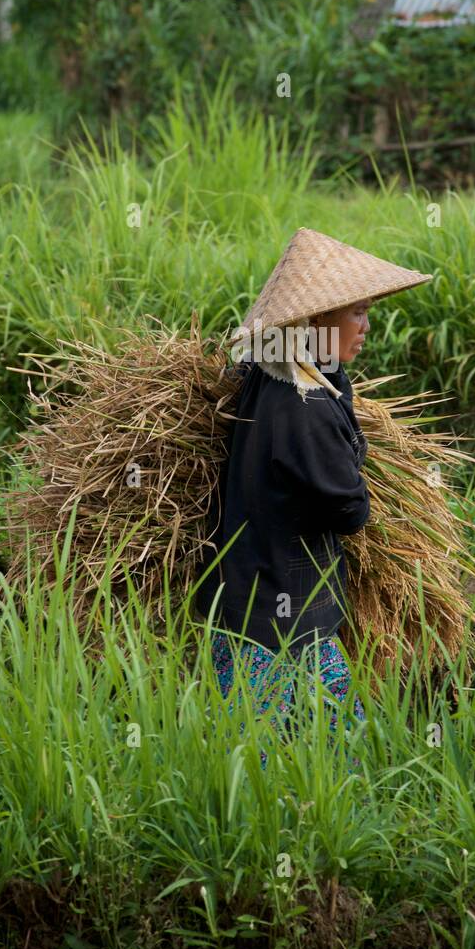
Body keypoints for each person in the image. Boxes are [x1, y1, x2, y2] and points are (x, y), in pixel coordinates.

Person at [196, 227, 433, 767]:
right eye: (357, 314)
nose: (367, 327)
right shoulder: (308, 410)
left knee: (255, 756)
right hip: (288, 618)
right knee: (322, 757)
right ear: (317, 320)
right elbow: (351, 511)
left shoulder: (266, 369)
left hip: (242, 596)